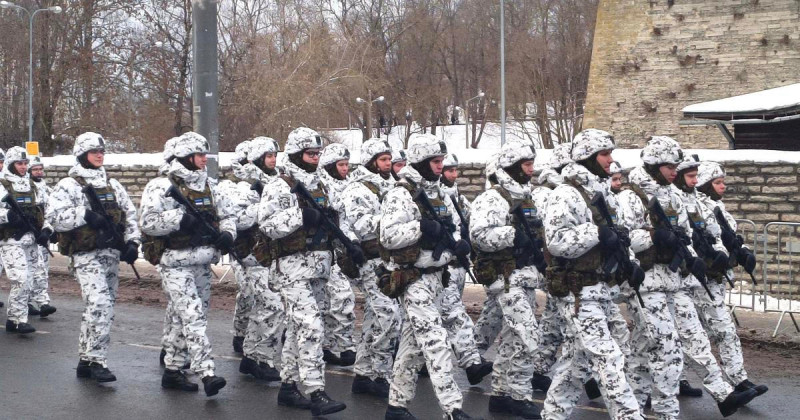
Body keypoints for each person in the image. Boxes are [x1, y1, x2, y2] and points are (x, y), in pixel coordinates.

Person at [541, 129, 643, 420]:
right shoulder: (566, 194)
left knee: (576, 365)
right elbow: (556, 242)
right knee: (607, 358)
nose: (611, 160)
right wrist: (596, 233)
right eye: (604, 154)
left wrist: (630, 263)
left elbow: (619, 237)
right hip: (578, 293)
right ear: (587, 157)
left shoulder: (604, 193)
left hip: (602, 290)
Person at [381, 133, 478, 420]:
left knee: (412, 348)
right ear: (421, 162)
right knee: (436, 342)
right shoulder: (401, 194)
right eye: (435, 161)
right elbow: (388, 236)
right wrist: (420, 228)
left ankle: (396, 407)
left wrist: (458, 244)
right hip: (413, 280)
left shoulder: (439, 193)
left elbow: (453, 227)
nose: (440, 166)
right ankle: (453, 408)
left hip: (438, 278)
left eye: (441, 161)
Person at [258, 127, 347, 416]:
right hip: (292, 268)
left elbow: (338, 218)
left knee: (300, 329)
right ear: (297, 154)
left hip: (319, 266)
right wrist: (300, 216)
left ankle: (288, 387)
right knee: (311, 326)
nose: (315, 158)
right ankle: (315, 390)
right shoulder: (280, 185)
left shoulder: (322, 184)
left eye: (318, 154)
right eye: (310, 154)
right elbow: (267, 225)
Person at [139, 132, 230, 396]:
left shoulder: (210, 185)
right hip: (175, 263)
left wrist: (228, 234)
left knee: (183, 317)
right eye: (199, 155)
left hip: (203, 261)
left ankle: (172, 370)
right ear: (186, 157)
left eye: (204, 155)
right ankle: (207, 372)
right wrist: (179, 219)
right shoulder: (161, 186)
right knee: (192, 315)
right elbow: (148, 222)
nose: (204, 160)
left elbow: (227, 214)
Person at [47, 133, 140, 382]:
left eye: (102, 151)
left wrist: (133, 242)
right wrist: (85, 215)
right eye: (94, 152)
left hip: (111, 254)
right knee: (100, 304)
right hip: (85, 255)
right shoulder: (69, 185)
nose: (100, 155)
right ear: (81, 155)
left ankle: (86, 360)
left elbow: (130, 214)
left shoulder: (112, 184)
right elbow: (54, 218)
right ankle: (98, 361)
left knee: (101, 308)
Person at [470, 141, 545, 419]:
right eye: (526, 165)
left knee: (514, 337)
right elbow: (479, 235)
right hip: (506, 278)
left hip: (525, 277)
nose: (531, 170)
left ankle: (501, 395)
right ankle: (520, 395)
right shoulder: (493, 198)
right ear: (512, 167)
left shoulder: (526, 197)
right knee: (527, 336)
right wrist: (513, 236)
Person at [696, 161, 769, 398]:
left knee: (724, 331)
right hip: (700, 281)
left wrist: (743, 251)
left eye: (723, 182)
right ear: (706, 185)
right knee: (707, 333)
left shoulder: (718, 208)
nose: (723, 186)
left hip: (716, 279)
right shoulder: (696, 207)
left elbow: (729, 238)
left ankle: (739, 379)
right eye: (718, 182)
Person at [339, 138, 401, 398]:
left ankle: (365, 374)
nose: (388, 164)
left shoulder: (394, 186)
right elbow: (361, 225)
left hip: (390, 261)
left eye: (389, 159)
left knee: (375, 319)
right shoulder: (357, 190)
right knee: (390, 317)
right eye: (383, 160)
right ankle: (380, 372)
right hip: (370, 261)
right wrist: (395, 221)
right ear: (370, 162)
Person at [438, 153, 494, 386]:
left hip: (460, 266)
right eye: (449, 171)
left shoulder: (458, 198)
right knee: (455, 315)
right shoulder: (434, 196)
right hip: (443, 269)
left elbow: (472, 221)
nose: (454, 175)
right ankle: (471, 363)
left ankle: (420, 362)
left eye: (455, 171)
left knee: (439, 317)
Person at [2, 147, 53, 334]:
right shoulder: (2, 185)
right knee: (21, 279)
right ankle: (18, 319)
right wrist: (8, 216)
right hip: (11, 240)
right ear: (11, 164)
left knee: (30, 280)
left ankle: (15, 318)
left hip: (31, 239)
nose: (23, 167)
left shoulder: (33, 186)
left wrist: (46, 230)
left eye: (25, 163)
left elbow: (47, 210)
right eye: (19, 163)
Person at [316, 142, 358, 367]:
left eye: (346, 164)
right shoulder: (321, 186)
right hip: (327, 252)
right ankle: (343, 345)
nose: (345, 169)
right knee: (340, 298)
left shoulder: (350, 186)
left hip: (346, 251)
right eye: (341, 165)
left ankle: (330, 345)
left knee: (332, 301)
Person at [225, 140, 254, 355]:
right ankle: (240, 332)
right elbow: (234, 219)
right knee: (247, 291)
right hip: (241, 248)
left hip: (263, 249)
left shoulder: (270, 182)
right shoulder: (230, 186)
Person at [26, 156, 57, 318]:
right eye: (35, 169)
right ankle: (33, 301)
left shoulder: (47, 189)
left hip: (44, 235)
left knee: (43, 269)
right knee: (34, 269)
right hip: (30, 235)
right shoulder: (26, 188)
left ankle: (39, 301)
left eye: (40, 169)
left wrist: (53, 230)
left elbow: (53, 212)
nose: (38, 172)